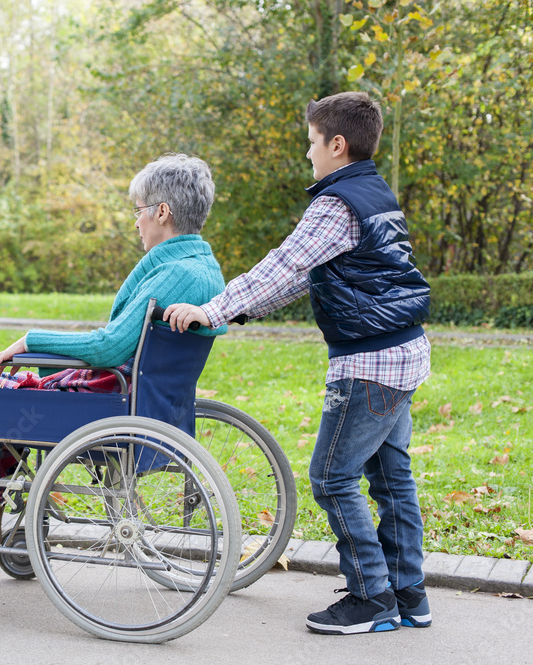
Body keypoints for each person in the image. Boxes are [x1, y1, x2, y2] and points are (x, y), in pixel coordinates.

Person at [164, 91, 432, 635]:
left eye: (312, 142)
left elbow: (284, 265)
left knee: (332, 477)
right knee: (391, 477)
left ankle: (371, 598)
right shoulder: (374, 192)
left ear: (337, 144)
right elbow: (308, 274)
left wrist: (212, 309)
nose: (308, 152)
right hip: (403, 352)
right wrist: (238, 310)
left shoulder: (337, 204)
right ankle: (409, 594)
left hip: (369, 363)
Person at [0, 153, 228, 561]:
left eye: (139, 211)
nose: (136, 222)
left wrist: (30, 342)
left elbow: (109, 347)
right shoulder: (201, 266)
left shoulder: (175, 273)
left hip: (112, 400)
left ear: (162, 212)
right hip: (140, 395)